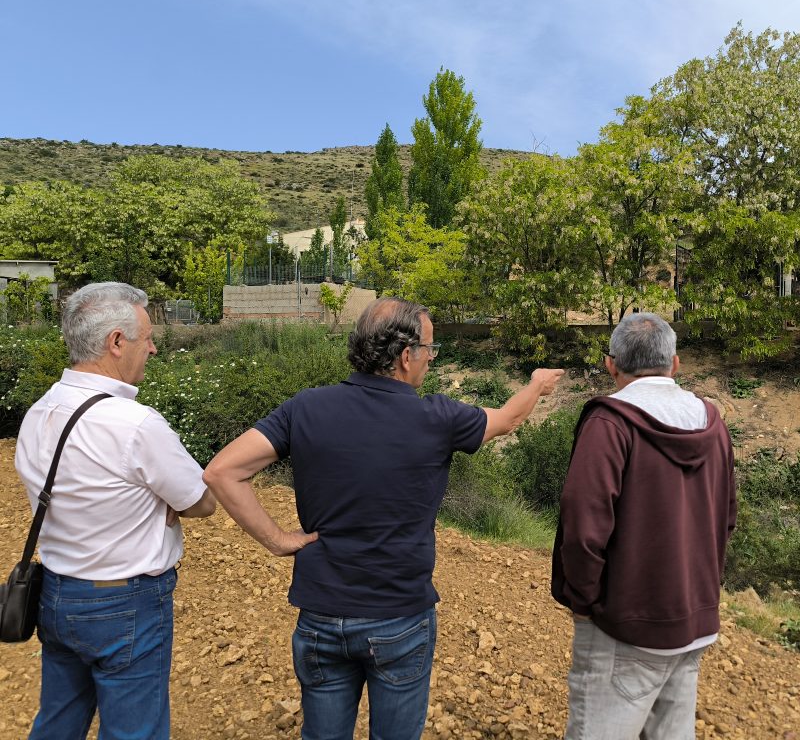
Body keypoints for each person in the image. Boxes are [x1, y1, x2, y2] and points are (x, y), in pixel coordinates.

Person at [203, 297, 564, 740]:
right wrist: (536, 385)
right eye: (429, 349)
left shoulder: (306, 407)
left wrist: (277, 539)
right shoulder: (437, 417)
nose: (431, 358)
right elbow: (506, 420)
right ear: (406, 355)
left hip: (321, 615)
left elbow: (222, 472)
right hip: (398, 616)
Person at [15, 281, 216, 740]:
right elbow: (203, 501)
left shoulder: (39, 411)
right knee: (134, 732)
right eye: (148, 337)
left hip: (57, 594)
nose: (154, 348)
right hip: (126, 602)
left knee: (57, 722)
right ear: (117, 342)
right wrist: (162, 502)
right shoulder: (135, 424)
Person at [551, 312, 736, 740]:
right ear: (675, 364)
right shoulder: (711, 422)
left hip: (624, 625)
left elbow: (583, 523)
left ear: (611, 365)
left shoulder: (610, 423)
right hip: (693, 622)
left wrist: (585, 600)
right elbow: (727, 517)